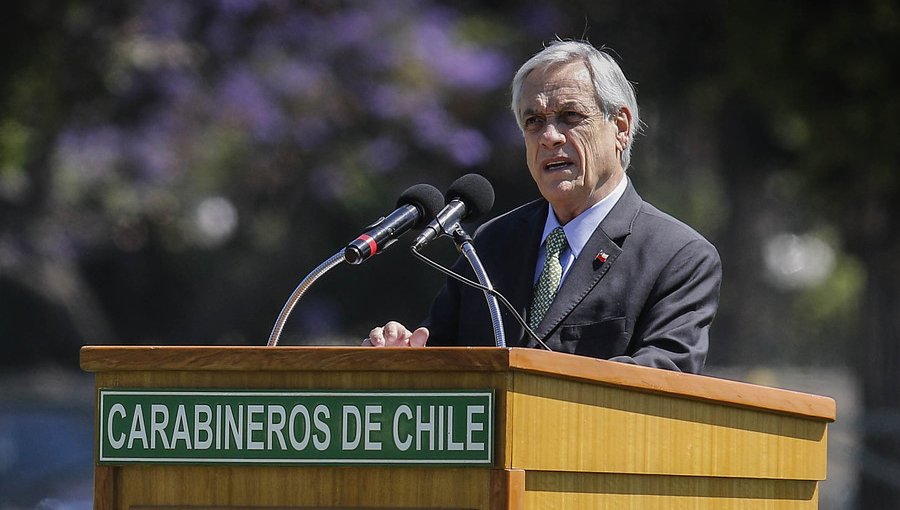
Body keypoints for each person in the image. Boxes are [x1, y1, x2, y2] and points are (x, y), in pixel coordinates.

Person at [365, 40, 721, 374]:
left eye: (569, 116)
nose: (549, 136)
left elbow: (663, 379)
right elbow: (440, 355)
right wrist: (404, 354)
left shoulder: (679, 257)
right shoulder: (489, 245)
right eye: (534, 122)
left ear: (621, 127)